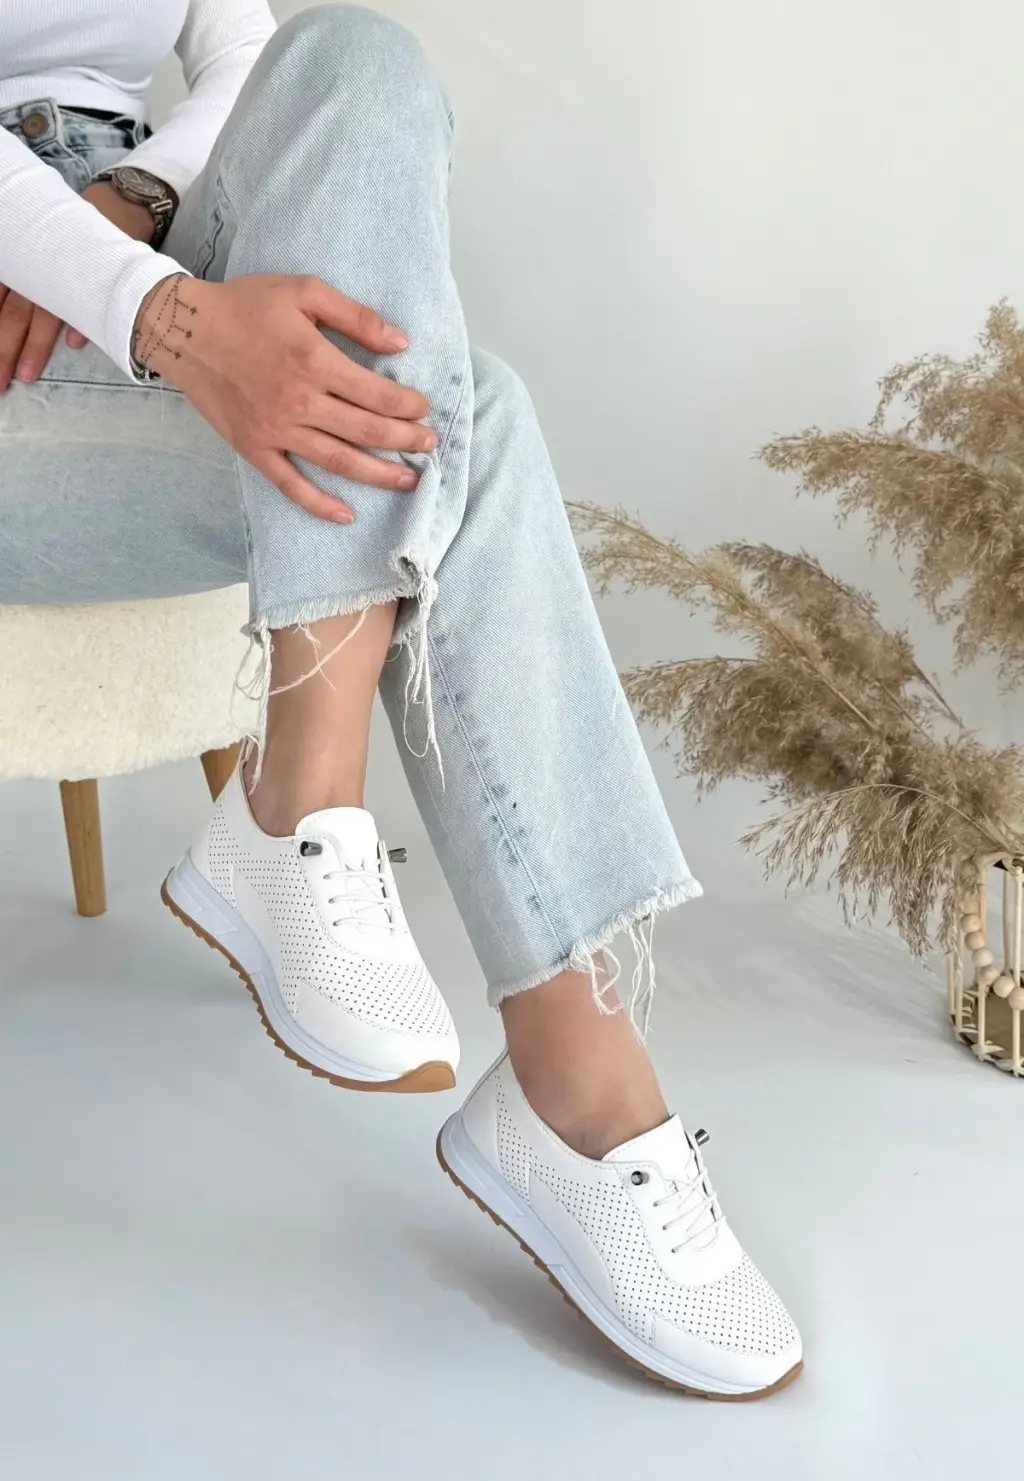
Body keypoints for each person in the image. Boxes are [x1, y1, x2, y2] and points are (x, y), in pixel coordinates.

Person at [0, 1, 802, 1398]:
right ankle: (583, 1090)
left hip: (116, 238)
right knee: (466, 422)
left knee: (355, 59)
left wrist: (134, 203)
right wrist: (161, 312)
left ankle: (300, 797)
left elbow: (242, 58)